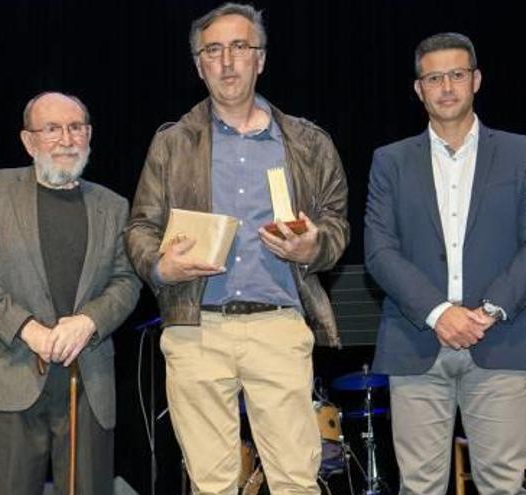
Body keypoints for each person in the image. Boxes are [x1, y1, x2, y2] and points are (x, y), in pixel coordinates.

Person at [125, 3, 349, 494]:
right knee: (212, 485)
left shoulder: (307, 143)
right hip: (195, 330)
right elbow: (140, 226)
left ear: (261, 59)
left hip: (279, 328)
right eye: (213, 50)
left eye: (239, 47)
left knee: (296, 480)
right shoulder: (172, 143)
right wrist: (160, 265)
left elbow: (337, 226)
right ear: (199, 64)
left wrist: (314, 244)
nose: (227, 61)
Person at [365, 32, 526, 494]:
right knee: (419, 486)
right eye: (434, 78)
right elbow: (378, 250)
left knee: (503, 484)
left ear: (476, 80)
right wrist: (439, 313)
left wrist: (490, 310)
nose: (447, 87)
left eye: (457, 75)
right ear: (419, 89)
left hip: (501, 338)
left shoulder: (519, 154)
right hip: (416, 341)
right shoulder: (389, 161)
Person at [0, 91, 141, 495]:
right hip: (13, 374)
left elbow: (127, 281)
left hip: (88, 381)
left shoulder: (113, 205)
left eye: (76, 127)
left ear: (89, 135)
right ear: (28, 141)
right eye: (52, 129)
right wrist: (30, 330)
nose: (66, 139)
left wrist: (89, 321)